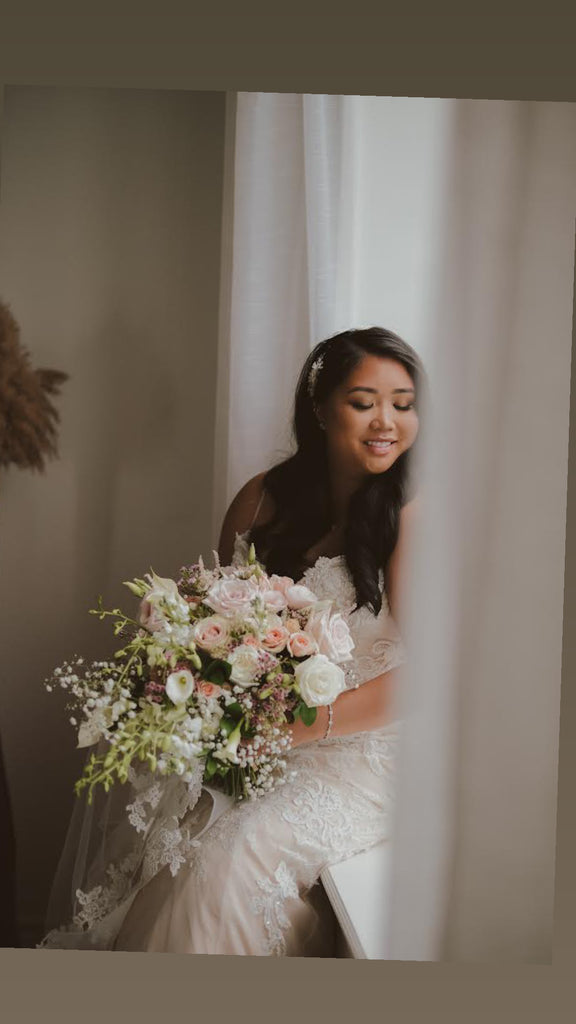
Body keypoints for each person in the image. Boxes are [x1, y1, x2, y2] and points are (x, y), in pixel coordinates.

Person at [42, 326, 424, 956]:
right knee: (172, 851)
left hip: (365, 761)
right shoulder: (261, 501)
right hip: (256, 748)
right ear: (322, 408)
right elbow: (214, 634)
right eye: (364, 401)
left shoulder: (412, 517)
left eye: (402, 403)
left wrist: (300, 728)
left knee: (226, 862)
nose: (386, 421)